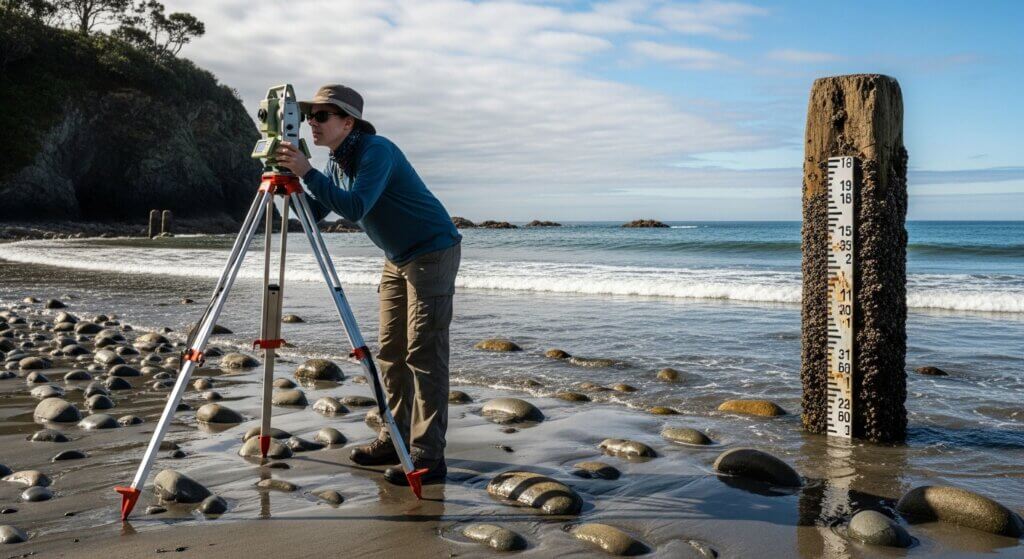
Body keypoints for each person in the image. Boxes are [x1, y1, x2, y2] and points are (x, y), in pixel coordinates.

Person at [274, 84, 461, 486]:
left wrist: (307, 171)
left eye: (322, 116)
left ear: (348, 121)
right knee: (391, 352)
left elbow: (356, 207)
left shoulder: (377, 151)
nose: (311, 122)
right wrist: (287, 181)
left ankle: (429, 456)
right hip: (396, 258)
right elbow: (318, 210)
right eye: (310, 115)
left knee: (423, 355)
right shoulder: (338, 160)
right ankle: (393, 438)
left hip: (432, 252)